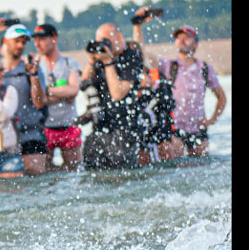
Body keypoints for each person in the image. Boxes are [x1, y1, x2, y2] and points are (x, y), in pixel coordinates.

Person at [79, 22, 147, 170]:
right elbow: (83, 84)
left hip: (124, 130)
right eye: (99, 41)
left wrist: (108, 62)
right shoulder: (99, 59)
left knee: (123, 174)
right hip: (100, 128)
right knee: (93, 175)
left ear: (119, 37)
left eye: (105, 39)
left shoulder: (132, 57)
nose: (103, 44)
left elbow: (118, 94)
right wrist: (91, 61)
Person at [152, 25, 226, 159]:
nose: (181, 40)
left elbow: (221, 97)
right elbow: (145, 57)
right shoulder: (168, 65)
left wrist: (213, 118)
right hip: (174, 128)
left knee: (201, 168)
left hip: (198, 128)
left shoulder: (204, 68)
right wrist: (137, 27)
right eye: (179, 38)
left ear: (196, 44)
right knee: (175, 167)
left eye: (186, 38)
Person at [29, 24, 83, 171]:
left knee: (74, 171)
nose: (37, 43)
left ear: (54, 38)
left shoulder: (69, 63)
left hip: (68, 125)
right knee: (46, 172)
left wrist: (47, 92)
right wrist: (62, 94)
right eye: (35, 40)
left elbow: (73, 91)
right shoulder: (36, 67)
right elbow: (39, 101)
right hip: (45, 127)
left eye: (42, 39)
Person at [0, 24, 48, 175]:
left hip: (30, 134)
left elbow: (39, 103)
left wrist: (33, 76)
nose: (21, 45)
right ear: (5, 41)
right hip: (3, 136)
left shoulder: (31, 68)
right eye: (17, 41)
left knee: (35, 181)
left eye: (24, 42)